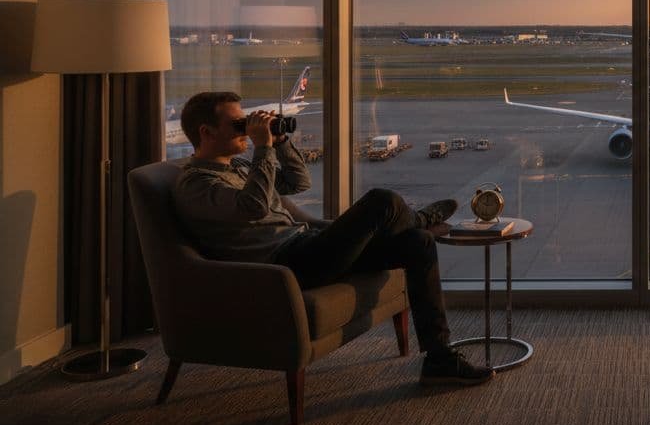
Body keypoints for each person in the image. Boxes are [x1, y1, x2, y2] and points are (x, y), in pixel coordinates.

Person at [170, 90, 493, 387]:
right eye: (237, 123)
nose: (245, 129)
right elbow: (252, 207)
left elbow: (297, 182)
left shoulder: (239, 168)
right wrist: (263, 148)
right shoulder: (196, 185)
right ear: (206, 132)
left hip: (308, 246)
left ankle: (439, 359)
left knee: (418, 243)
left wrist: (279, 142)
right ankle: (419, 217)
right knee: (382, 201)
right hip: (285, 266)